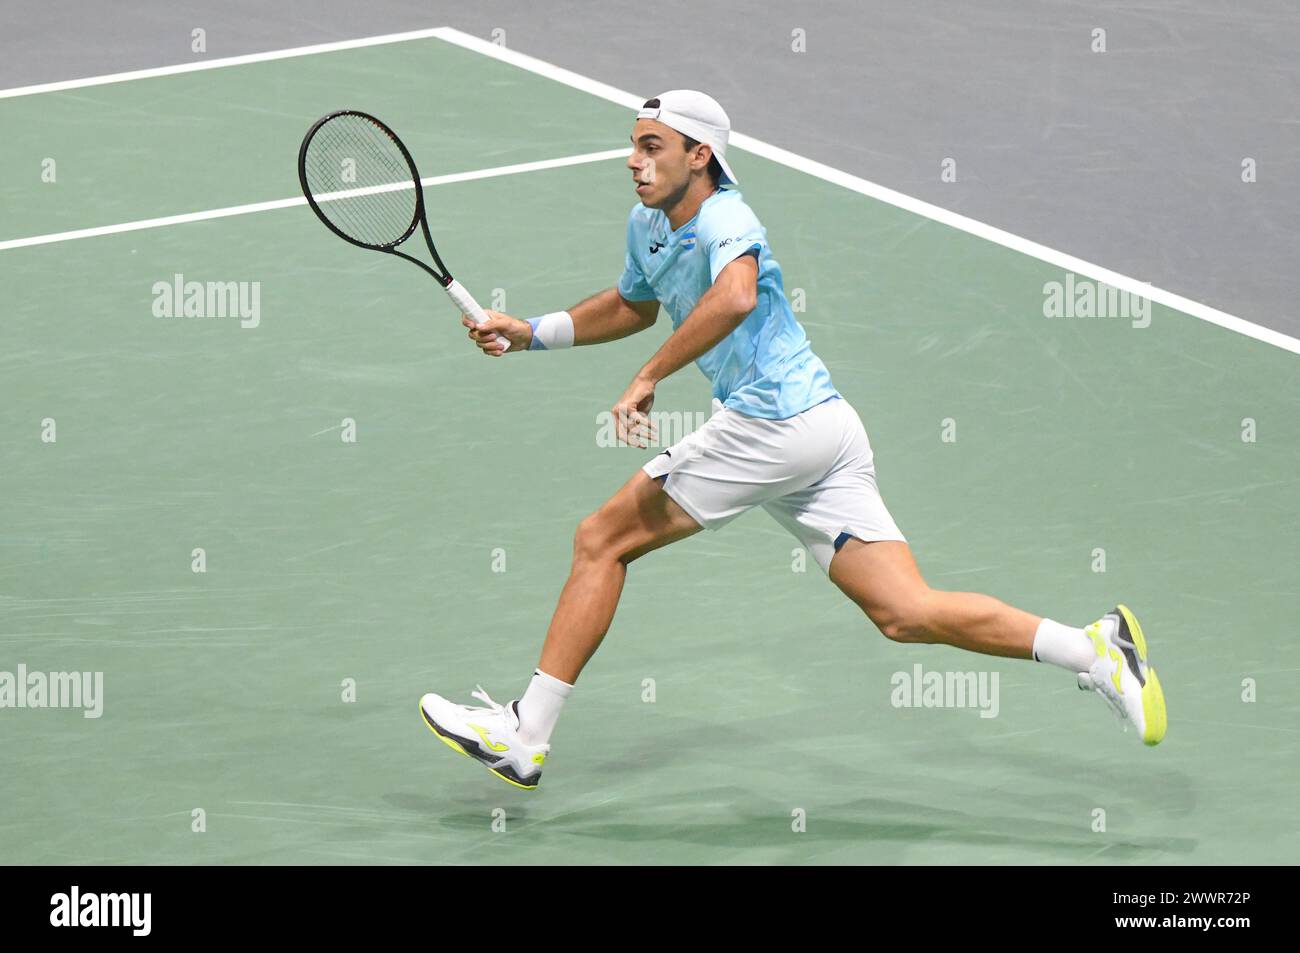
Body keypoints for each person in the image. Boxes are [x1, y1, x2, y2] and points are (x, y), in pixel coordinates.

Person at [419, 90, 1167, 790]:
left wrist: (648, 378)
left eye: (652, 146)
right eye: (632, 145)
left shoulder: (725, 219)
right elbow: (632, 303)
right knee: (904, 611)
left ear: (699, 154)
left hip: (770, 423)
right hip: (824, 428)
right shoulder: (647, 225)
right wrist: (530, 334)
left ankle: (526, 733)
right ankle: (1095, 649)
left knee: (600, 539)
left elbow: (736, 294)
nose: (633, 160)